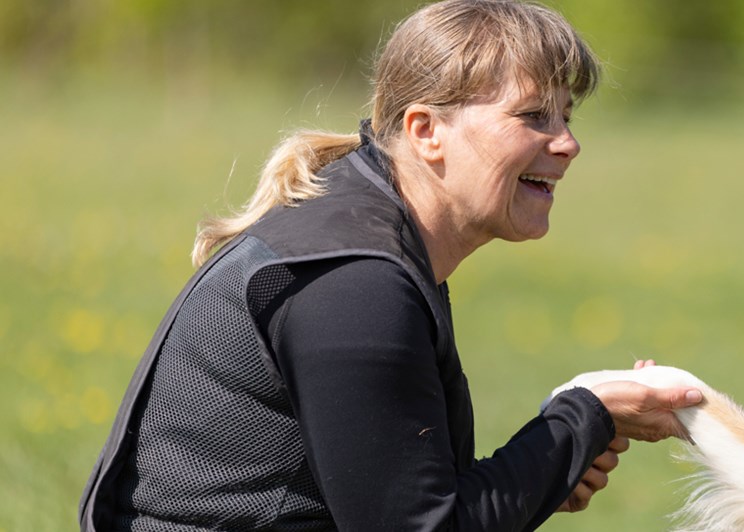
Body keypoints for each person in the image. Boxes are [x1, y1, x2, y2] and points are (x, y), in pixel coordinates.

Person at [78, 1, 703, 530]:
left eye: (567, 115)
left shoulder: (368, 239)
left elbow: (412, 499)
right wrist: (585, 416)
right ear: (426, 130)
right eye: (533, 115)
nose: (567, 142)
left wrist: (561, 449)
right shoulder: (353, 283)